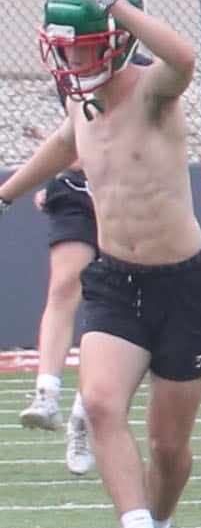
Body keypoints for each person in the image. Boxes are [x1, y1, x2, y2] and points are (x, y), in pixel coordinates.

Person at [0, 0, 201, 528]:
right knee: (99, 403)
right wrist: (6, 191)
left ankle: (161, 526)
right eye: (65, 49)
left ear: (119, 39)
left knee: (169, 446)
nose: (72, 62)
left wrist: (116, 2)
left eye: (86, 46)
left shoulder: (152, 89)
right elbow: (70, 141)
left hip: (184, 283)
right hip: (116, 279)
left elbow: (184, 58)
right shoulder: (81, 97)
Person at [19, 165, 97, 476]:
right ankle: (46, 396)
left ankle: (84, 413)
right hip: (77, 187)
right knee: (64, 286)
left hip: (128, 191)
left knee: (112, 307)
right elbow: (68, 137)